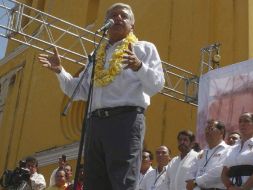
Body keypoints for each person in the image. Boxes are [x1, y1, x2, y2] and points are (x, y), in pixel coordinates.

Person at [38, 3, 165, 190]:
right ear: (106, 25)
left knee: (122, 181)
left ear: (133, 26)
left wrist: (139, 66)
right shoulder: (97, 54)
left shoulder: (143, 48)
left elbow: (157, 85)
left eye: (123, 16)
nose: (118, 18)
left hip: (126, 121)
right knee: (94, 182)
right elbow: (78, 90)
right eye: (113, 16)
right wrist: (60, 71)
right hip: (95, 123)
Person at [186, 119, 229, 190]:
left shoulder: (228, 150)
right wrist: (194, 185)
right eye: (206, 129)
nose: (207, 132)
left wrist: (197, 182)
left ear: (221, 131)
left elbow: (219, 171)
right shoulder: (201, 152)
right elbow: (190, 173)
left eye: (210, 128)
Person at [221, 112, 253, 190]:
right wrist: (230, 187)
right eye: (240, 121)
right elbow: (223, 174)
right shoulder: (232, 148)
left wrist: (244, 188)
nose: (242, 124)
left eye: (246, 121)